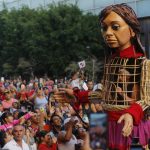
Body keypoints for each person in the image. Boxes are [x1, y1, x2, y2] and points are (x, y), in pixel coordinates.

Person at [54, 3, 150, 150]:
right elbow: (104, 94)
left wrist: (132, 114)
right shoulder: (110, 62)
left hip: (128, 123)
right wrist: (77, 96)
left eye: (115, 27)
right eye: (104, 28)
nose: (108, 33)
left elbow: (147, 98)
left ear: (132, 31)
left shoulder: (143, 64)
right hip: (103, 118)